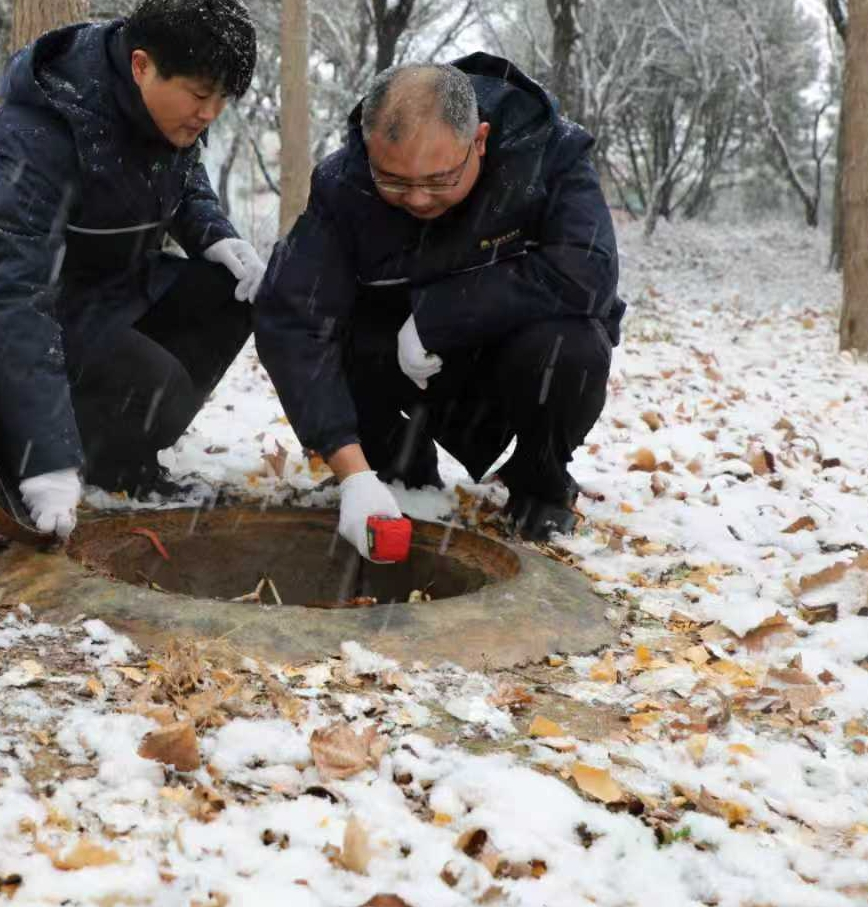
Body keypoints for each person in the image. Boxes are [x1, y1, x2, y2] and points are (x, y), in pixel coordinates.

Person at [0, 0, 266, 539]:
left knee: (229, 294)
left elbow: (181, 172)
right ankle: (46, 450)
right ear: (142, 65)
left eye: (224, 99)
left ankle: (122, 463)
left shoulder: (161, 113)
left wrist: (213, 234)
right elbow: (8, 294)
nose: (210, 113)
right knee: (153, 379)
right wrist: (45, 457)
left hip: (95, 289)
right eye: (201, 95)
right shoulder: (35, 134)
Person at [255, 57, 624, 558]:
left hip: (511, 360)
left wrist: (439, 315)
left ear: (480, 140)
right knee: (339, 335)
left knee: (576, 346)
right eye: (394, 181)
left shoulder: (548, 152)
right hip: (400, 372)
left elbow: (588, 272)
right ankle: (392, 472)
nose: (419, 200)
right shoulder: (344, 184)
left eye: (438, 180)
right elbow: (291, 316)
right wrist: (351, 472)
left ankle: (540, 482)